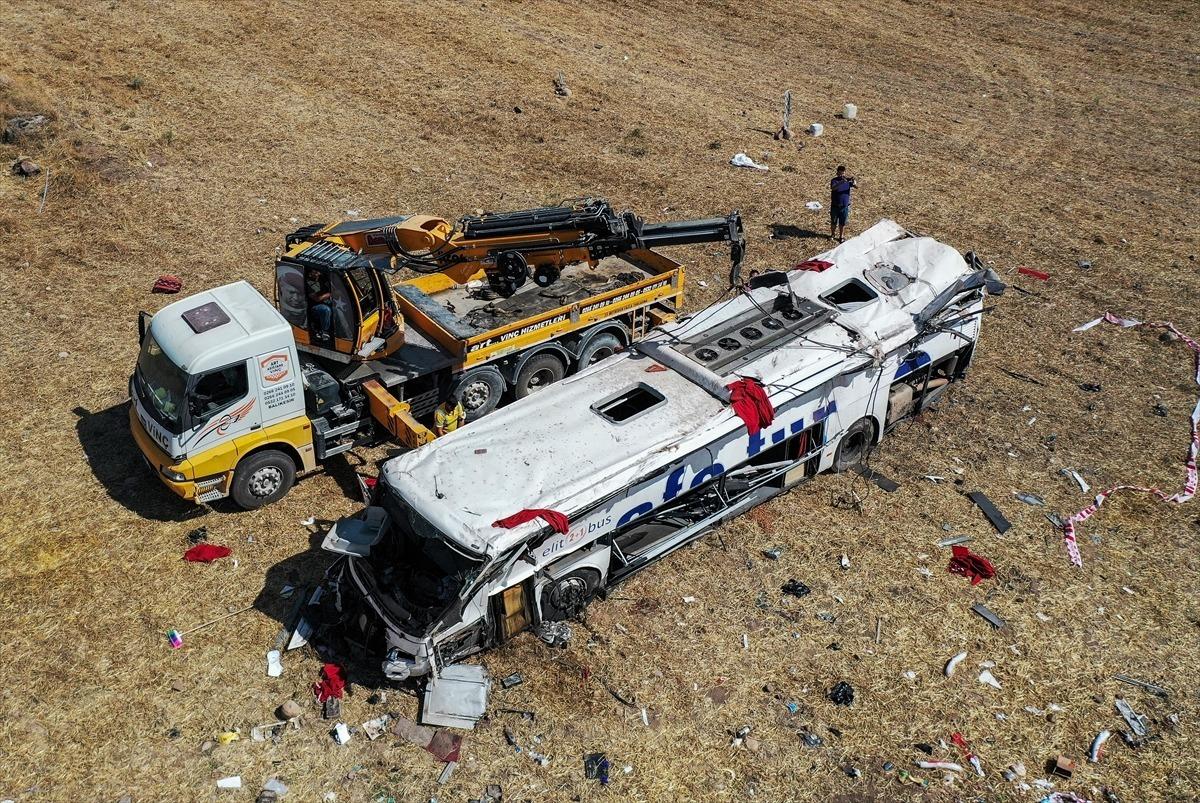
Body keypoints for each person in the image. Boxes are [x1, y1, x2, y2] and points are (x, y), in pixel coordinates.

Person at [829, 165, 857, 242]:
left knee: (842, 223)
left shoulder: (847, 182)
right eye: (840, 173)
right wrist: (841, 182)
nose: (841, 175)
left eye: (843, 173)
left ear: (845, 173)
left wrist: (854, 182)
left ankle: (841, 236)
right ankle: (832, 234)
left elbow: (856, 186)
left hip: (844, 207)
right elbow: (833, 188)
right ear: (837, 173)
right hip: (835, 206)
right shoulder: (834, 180)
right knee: (833, 222)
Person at [305, 267, 334, 341]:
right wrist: (330, 294)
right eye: (315, 272)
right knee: (326, 310)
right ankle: (324, 331)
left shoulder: (322, 279)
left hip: (327, 301)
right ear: (310, 274)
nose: (318, 273)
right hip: (315, 306)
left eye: (318, 272)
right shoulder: (308, 284)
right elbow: (317, 299)